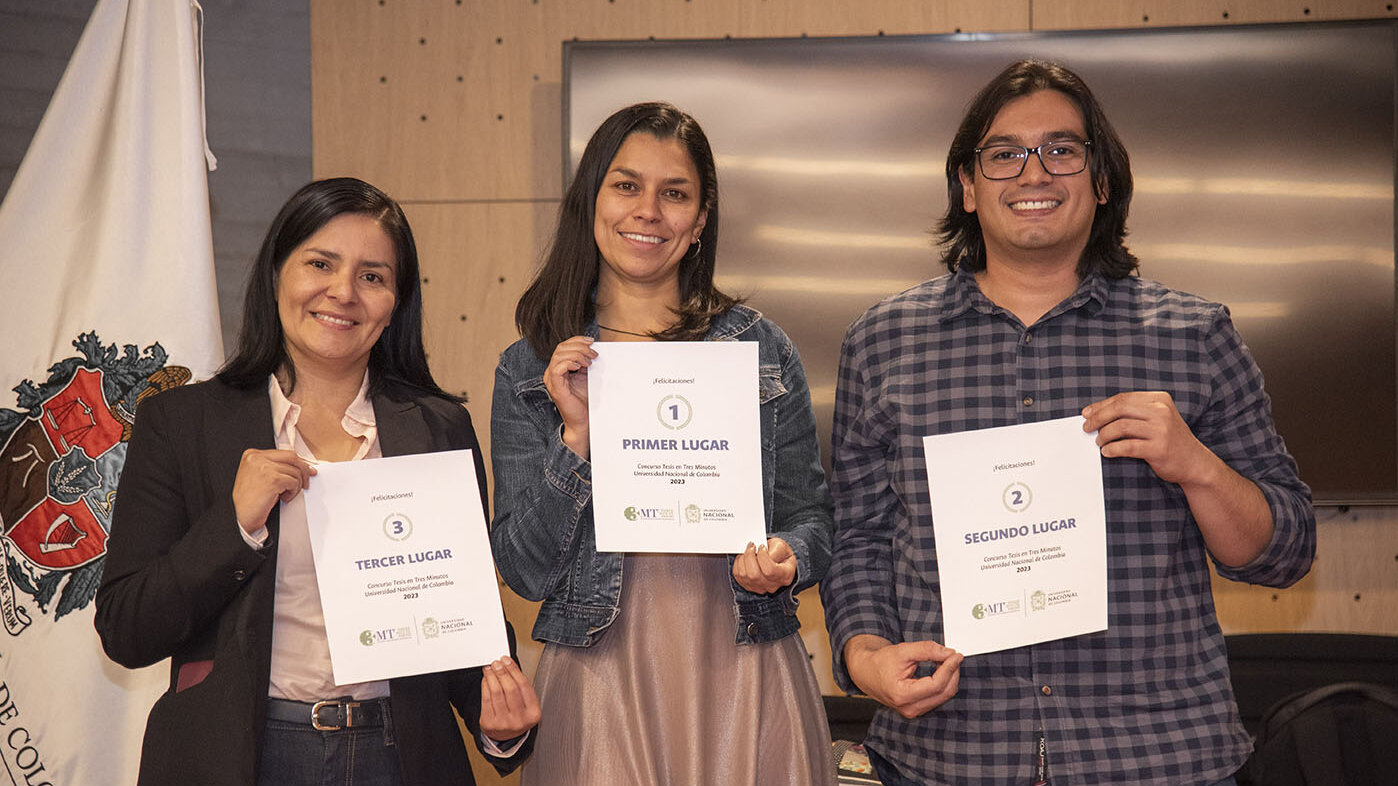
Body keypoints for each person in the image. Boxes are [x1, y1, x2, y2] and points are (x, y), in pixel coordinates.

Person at [820, 59, 1316, 786]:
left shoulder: (1193, 335)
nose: (1033, 173)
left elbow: (1283, 554)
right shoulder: (884, 341)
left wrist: (1196, 464)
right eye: (1004, 154)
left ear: (1102, 179)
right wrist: (864, 657)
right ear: (967, 185)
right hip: (950, 753)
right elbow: (860, 536)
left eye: (1062, 150)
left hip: (1159, 755)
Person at [95, 177, 540, 785]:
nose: (343, 292)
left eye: (373, 276)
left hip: (399, 756)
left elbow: (460, 619)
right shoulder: (182, 422)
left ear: (395, 303)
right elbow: (127, 629)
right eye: (321, 263)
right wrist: (235, 526)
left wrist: (500, 725)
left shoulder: (439, 428)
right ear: (279, 272)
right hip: (240, 759)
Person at [490, 101, 836, 785]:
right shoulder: (530, 367)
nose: (648, 211)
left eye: (674, 193)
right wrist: (578, 439)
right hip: (599, 677)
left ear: (701, 218)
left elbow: (814, 518)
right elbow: (524, 570)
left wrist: (787, 557)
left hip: (745, 666)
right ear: (592, 200)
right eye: (627, 186)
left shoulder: (760, 348)